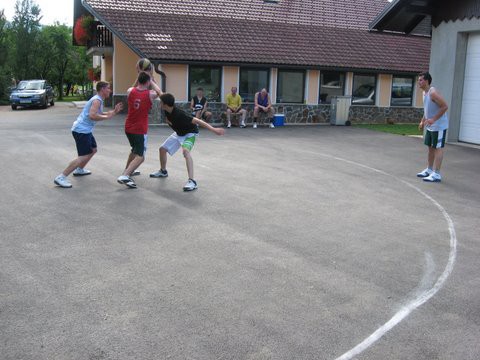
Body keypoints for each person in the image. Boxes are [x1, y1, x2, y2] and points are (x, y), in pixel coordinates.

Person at [54, 81, 123, 188]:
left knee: (93, 149)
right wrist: (107, 117)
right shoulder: (97, 101)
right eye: (108, 88)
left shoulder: (98, 99)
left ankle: (79, 169)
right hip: (81, 131)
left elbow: (98, 113)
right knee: (83, 156)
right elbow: (92, 116)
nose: (110, 90)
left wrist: (113, 112)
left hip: (85, 130)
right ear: (102, 89)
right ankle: (61, 177)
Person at [150, 93, 225, 191]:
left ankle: (192, 181)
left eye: (161, 102)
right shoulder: (167, 110)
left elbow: (198, 121)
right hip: (179, 133)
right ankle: (163, 171)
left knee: (186, 152)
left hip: (190, 133)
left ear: (165, 104)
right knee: (162, 149)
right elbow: (160, 92)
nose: (160, 104)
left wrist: (213, 129)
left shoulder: (180, 114)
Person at [117, 72, 162, 189]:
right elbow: (159, 92)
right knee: (141, 156)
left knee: (134, 150)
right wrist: (152, 80)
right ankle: (125, 175)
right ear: (147, 82)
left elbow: (133, 86)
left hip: (128, 127)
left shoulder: (130, 91)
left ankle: (126, 172)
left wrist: (142, 78)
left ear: (138, 80)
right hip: (139, 129)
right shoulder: (149, 94)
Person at [417, 71, 449, 182]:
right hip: (430, 125)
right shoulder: (424, 93)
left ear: (426, 81)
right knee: (430, 147)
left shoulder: (433, 93)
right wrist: (422, 121)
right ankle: (429, 170)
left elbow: (445, 106)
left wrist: (433, 119)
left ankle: (437, 174)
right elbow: (427, 109)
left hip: (439, 125)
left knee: (438, 148)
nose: (418, 82)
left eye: (420, 80)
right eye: (418, 80)